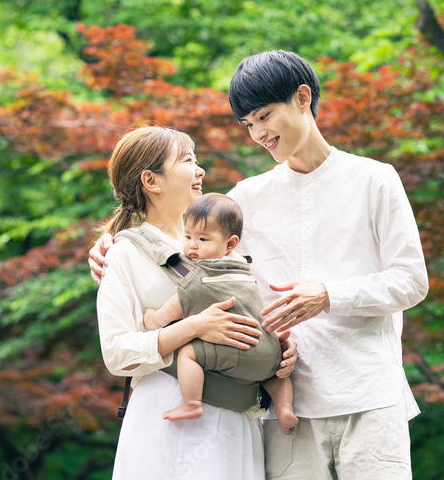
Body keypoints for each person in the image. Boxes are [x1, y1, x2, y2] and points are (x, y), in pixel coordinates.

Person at [92, 51, 429, 479]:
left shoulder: (374, 179)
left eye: (265, 117)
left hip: (368, 394)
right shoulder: (245, 199)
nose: (258, 134)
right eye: (248, 124)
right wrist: (113, 241)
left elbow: (411, 280)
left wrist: (328, 296)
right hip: (285, 407)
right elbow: (183, 234)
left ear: (303, 98)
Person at [95, 125, 296, 480]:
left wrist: (276, 345)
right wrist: (194, 327)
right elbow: (116, 353)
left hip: (235, 416)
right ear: (151, 181)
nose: (200, 170)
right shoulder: (124, 253)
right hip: (170, 416)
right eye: (188, 161)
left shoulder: (223, 245)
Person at [140, 192, 298, 432]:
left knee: (188, 353)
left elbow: (167, 314)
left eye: (203, 239)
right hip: (267, 353)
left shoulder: (199, 278)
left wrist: (152, 317)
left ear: (230, 243)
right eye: (188, 236)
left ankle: (191, 403)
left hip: (234, 351)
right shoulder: (245, 271)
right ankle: (285, 408)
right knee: (275, 375)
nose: (192, 245)